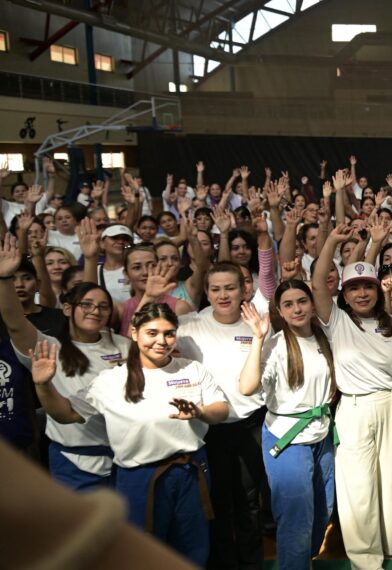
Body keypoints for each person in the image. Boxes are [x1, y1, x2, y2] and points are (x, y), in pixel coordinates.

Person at [31, 302, 229, 565]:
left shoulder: (191, 369)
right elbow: (65, 414)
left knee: (193, 548)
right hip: (139, 478)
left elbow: (221, 410)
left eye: (169, 333)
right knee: (141, 552)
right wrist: (43, 385)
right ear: (135, 333)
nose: (162, 341)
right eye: (152, 333)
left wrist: (200, 411)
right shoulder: (111, 380)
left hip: (191, 472)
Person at [314, 224, 392, 566]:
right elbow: (317, 284)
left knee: (391, 482)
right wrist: (331, 242)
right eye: (353, 288)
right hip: (354, 407)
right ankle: (365, 560)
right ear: (344, 293)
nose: (361, 294)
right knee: (358, 487)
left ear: (377, 290)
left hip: (391, 405)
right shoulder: (336, 320)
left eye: (367, 287)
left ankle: (388, 549)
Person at [1, 237, 127, 490]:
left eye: (103, 307)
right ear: (68, 309)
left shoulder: (124, 346)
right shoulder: (49, 347)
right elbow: (15, 322)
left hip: (124, 456)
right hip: (72, 461)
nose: (95, 311)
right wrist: (4, 279)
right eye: (87, 305)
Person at [238, 281, 337, 570]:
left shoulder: (323, 337)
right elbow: (247, 387)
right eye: (289, 304)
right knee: (296, 518)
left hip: (321, 432)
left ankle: (303, 561)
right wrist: (257, 338)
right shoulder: (275, 345)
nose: (297, 309)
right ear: (279, 310)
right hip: (287, 438)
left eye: (302, 301)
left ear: (312, 303)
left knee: (323, 510)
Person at [175, 262, 267, 570]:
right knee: (217, 503)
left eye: (230, 288)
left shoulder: (258, 324)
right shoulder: (189, 325)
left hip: (250, 424)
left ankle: (252, 563)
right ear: (206, 292)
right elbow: (142, 333)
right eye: (215, 289)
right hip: (209, 429)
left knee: (249, 501)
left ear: (244, 289)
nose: (223, 295)